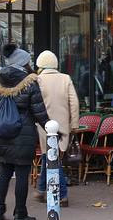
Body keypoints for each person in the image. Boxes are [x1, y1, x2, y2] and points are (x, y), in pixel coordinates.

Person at [0, 45, 49, 220]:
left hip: (3, 133)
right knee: (22, 174)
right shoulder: (30, 82)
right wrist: (51, 129)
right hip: (24, 133)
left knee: (4, 172)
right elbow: (39, 111)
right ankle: (20, 213)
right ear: (23, 62)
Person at [34, 50, 80, 206]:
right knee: (53, 158)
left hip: (43, 125)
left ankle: (62, 194)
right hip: (62, 126)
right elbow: (74, 103)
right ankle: (41, 189)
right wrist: (74, 125)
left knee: (50, 158)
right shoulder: (65, 79)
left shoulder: (38, 80)